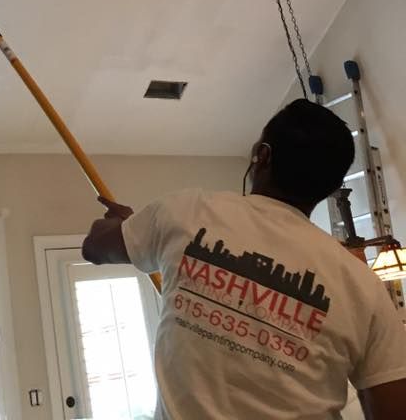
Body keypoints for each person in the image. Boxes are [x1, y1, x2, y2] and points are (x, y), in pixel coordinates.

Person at [82, 98, 406, 420]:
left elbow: (95, 247)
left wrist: (118, 226)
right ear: (332, 187)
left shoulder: (185, 212)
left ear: (262, 156)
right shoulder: (364, 286)